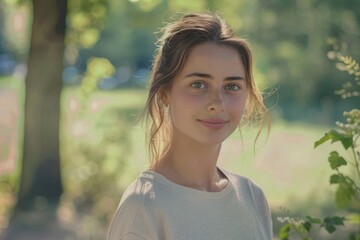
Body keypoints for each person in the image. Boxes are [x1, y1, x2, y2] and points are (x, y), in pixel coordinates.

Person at [107, 12, 272, 240]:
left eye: (232, 86)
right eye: (198, 84)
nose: (217, 103)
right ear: (165, 92)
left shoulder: (253, 198)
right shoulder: (143, 209)